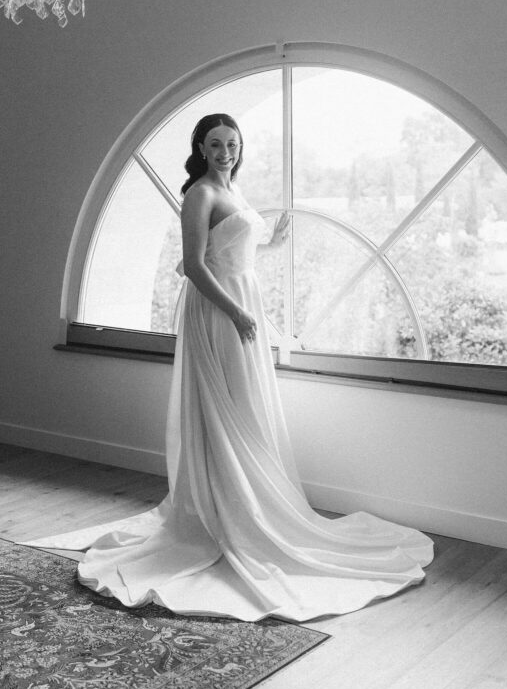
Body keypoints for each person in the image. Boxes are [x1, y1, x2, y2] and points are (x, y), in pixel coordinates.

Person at [31, 114, 433, 621]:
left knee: (248, 406)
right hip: (220, 310)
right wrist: (236, 311)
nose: (225, 151)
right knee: (227, 406)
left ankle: (250, 506)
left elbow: (234, 249)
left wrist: (275, 243)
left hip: (243, 303)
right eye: (216, 144)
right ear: (200, 146)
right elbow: (196, 265)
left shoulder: (233, 188)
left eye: (233, 144)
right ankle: (227, 513)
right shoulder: (199, 193)